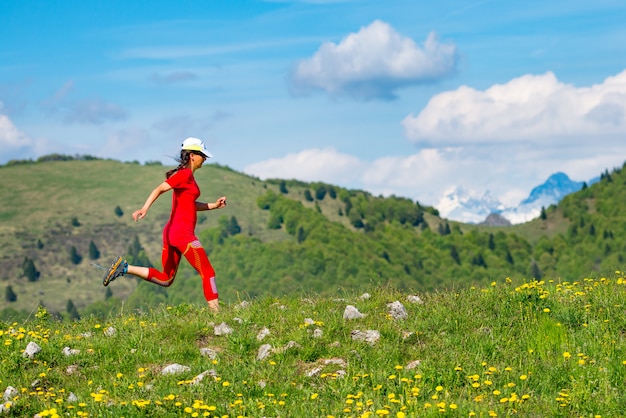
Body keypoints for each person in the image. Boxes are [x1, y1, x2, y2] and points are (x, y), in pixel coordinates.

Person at [103, 137, 227, 313]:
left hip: (172, 233)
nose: (205, 159)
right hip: (182, 234)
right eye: (202, 155)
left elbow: (190, 204)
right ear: (192, 155)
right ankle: (217, 315)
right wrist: (144, 208)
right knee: (208, 272)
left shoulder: (188, 177)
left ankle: (124, 267)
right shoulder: (184, 175)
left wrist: (213, 206)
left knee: (166, 279)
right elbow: (160, 189)